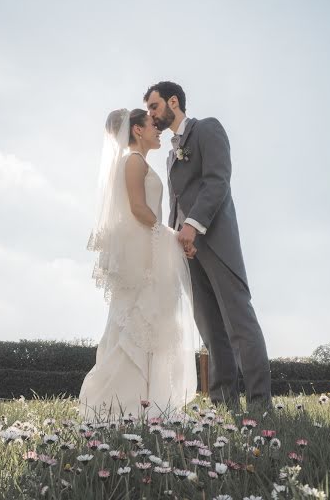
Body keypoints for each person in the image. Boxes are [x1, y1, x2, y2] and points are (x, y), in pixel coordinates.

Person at [144, 81, 272, 410]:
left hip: (214, 238)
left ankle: (260, 406)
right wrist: (177, 235)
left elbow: (218, 179)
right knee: (210, 329)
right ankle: (223, 405)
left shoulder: (207, 129)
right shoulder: (172, 154)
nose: (151, 114)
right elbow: (175, 203)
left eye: (154, 106)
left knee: (238, 322)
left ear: (174, 101)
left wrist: (193, 225)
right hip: (187, 249)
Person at [79, 108, 197, 421]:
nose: (158, 129)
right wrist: (169, 234)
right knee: (136, 322)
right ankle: (122, 403)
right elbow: (137, 209)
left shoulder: (139, 161)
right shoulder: (133, 161)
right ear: (136, 131)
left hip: (149, 249)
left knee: (147, 323)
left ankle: (148, 400)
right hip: (145, 252)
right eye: (152, 125)